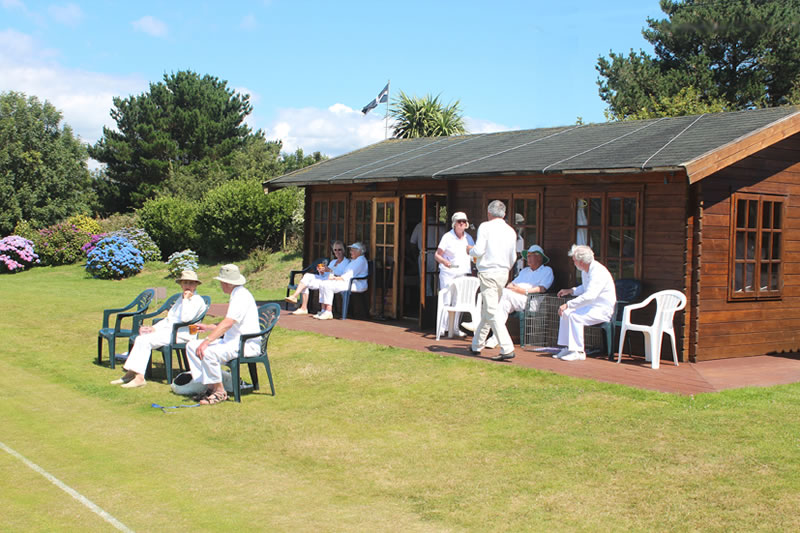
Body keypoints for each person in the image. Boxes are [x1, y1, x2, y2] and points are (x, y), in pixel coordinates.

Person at [110, 270, 206, 388]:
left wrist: (186, 300)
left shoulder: (197, 300)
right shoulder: (180, 299)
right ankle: (132, 373)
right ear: (181, 284)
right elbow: (170, 319)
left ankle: (139, 378)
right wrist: (154, 328)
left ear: (196, 285)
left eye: (191, 283)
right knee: (141, 338)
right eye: (185, 282)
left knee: (145, 340)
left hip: (183, 334)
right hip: (169, 332)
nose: (188, 286)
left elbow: (185, 319)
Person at [185, 264, 260, 405]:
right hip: (232, 341)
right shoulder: (237, 294)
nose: (220, 284)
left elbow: (228, 323)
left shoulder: (241, 296)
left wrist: (207, 341)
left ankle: (220, 392)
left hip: (245, 344)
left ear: (226, 283)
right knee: (191, 346)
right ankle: (210, 387)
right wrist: (208, 327)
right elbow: (230, 323)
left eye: (221, 282)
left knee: (207, 352)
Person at [467, 200, 518, 361]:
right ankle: (476, 344)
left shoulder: (485, 227)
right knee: (488, 310)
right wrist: (505, 268)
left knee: (490, 311)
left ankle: (507, 348)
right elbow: (513, 257)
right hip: (503, 273)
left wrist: (469, 250)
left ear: (489, 213)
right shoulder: (511, 231)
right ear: (504, 214)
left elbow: (478, 250)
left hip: (488, 272)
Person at [554, 244, 616, 361]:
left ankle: (579, 352)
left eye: (574, 260)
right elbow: (585, 287)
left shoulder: (598, 272)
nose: (573, 263)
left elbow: (590, 296)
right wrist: (571, 291)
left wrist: (568, 304)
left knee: (575, 316)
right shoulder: (586, 270)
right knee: (566, 313)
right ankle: (569, 348)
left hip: (602, 309)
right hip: (591, 307)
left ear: (581, 262)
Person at [434, 211, 475, 336]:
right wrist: (445, 262)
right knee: (446, 300)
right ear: (454, 223)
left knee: (459, 301)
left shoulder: (469, 238)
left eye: (464, 221)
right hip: (448, 273)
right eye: (459, 221)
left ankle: (454, 328)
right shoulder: (447, 237)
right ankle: (442, 328)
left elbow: (474, 255)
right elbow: (437, 255)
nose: (462, 223)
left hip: (462, 273)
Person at [285, 240, 350, 315]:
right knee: (307, 276)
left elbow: (342, 276)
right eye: (335, 250)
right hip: (324, 278)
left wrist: (329, 270)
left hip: (333, 282)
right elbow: (325, 274)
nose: (337, 252)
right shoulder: (333, 262)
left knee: (310, 282)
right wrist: (322, 271)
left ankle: (299, 302)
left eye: (339, 250)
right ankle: (301, 304)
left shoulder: (347, 262)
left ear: (343, 250)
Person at [315, 242, 369, 320]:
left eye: (352, 250)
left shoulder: (360, 260)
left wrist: (335, 278)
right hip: (347, 282)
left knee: (327, 285)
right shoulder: (355, 260)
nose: (350, 252)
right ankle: (323, 310)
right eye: (351, 250)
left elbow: (348, 275)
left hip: (355, 284)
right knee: (323, 284)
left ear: (359, 251)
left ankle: (328, 311)